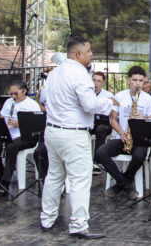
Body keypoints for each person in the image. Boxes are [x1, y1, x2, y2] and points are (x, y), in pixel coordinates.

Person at [40, 36, 118, 239]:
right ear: (78, 54)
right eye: (89, 50)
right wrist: (109, 103)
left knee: (54, 176)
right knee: (79, 180)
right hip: (73, 133)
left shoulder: (53, 74)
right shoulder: (80, 74)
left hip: (52, 130)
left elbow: (48, 101)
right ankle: (78, 224)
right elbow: (90, 105)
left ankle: (47, 218)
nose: (91, 54)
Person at [94, 65, 151, 201]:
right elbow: (113, 119)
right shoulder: (119, 96)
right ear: (129, 80)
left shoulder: (148, 99)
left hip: (140, 139)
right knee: (100, 152)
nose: (138, 84)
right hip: (123, 137)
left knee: (140, 155)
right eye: (135, 80)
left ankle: (120, 184)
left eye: (141, 81)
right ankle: (126, 185)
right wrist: (121, 132)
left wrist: (145, 119)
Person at [0, 80, 41, 195]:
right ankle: (1, 174)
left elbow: (35, 125)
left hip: (25, 136)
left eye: (15, 94)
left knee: (11, 147)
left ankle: (5, 181)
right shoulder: (8, 102)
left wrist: (18, 124)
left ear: (24, 91)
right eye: (11, 94)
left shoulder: (32, 105)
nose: (13, 96)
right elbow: (2, 116)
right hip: (8, 133)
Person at [90, 71, 115, 175]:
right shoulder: (86, 94)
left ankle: (97, 161)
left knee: (101, 129)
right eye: (94, 80)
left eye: (99, 81)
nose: (96, 83)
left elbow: (113, 112)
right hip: (90, 122)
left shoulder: (108, 95)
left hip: (104, 124)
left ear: (103, 83)